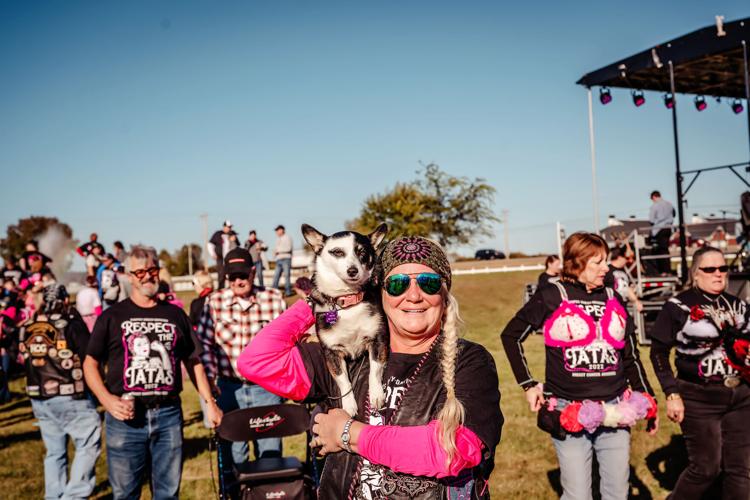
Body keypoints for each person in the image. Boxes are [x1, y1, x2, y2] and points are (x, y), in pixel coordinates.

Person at [238, 236, 503, 498]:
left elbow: (450, 452)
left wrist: (347, 433)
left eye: (429, 283)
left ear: (444, 295)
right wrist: (322, 299)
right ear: (381, 292)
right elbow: (256, 361)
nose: (413, 295)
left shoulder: (469, 361)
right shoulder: (346, 355)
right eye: (398, 284)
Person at [502, 232, 657, 500]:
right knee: (578, 495)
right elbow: (511, 335)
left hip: (615, 409)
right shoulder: (552, 295)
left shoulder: (613, 296)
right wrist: (528, 384)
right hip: (568, 411)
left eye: (606, 261)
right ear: (577, 263)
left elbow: (631, 354)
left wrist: (647, 396)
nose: (606, 268)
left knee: (618, 493)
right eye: (597, 262)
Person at [83, 245, 222, 500]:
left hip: (168, 414)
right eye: (140, 272)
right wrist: (106, 400)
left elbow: (194, 361)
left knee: (168, 493)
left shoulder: (175, 314)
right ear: (128, 275)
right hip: (125, 418)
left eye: (153, 270)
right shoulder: (112, 316)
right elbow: (90, 363)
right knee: (126, 494)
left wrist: (210, 403)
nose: (148, 276)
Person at [649, 246, 750, 499]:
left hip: (741, 397)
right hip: (698, 397)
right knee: (706, 468)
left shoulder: (738, 304)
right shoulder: (678, 306)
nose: (718, 274)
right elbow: (658, 352)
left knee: (741, 469)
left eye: (723, 268)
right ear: (696, 273)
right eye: (710, 269)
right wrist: (671, 394)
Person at [195, 247, 287, 486]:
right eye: (232, 276)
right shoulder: (214, 302)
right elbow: (204, 345)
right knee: (234, 458)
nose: (238, 280)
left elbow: (289, 343)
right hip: (228, 389)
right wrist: (211, 384)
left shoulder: (273, 298)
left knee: (270, 456)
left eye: (242, 275)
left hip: (266, 389)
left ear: (253, 272)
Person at [20, 280, 101, 499]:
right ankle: (73, 495)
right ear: (65, 300)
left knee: (54, 451)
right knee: (88, 442)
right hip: (69, 395)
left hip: (38, 397)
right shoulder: (71, 323)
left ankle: (54, 495)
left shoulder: (27, 325)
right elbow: (90, 354)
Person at [604, 246, 643, 313]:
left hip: (622, 307)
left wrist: (636, 301)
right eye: (627, 258)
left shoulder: (624, 272)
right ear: (619, 257)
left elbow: (627, 289)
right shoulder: (607, 270)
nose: (630, 261)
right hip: (610, 308)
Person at [649, 191, 675, 275]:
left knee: (660, 250)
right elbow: (674, 214)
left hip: (659, 229)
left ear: (654, 197)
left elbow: (651, 220)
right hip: (668, 228)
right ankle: (668, 270)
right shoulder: (669, 204)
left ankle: (663, 271)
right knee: (665, 249)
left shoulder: (655, 206)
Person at [208, 220, 239, 289]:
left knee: (231, 274)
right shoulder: (218, 234)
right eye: (228, 227)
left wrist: (234, 240)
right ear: (224, 227)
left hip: (230, 258)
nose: (229, 228)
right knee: (221, 275)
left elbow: (238, 245)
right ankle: (221, 289)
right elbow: (210, 244)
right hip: (220, 258)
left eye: (230, 227)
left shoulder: (232, 234)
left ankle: (231, 288)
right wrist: (212, 253)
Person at [271, 225, 293, 297]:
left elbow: (289, 248)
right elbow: (275, 250)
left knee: (287, 276)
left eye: (277, 230)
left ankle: (288, 292)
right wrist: (274, 254)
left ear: (282, 230)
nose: (276, 232)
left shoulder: (288, 237)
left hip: (286, 259)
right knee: (276, 276)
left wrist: (278, 251)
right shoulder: (277, 239)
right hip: (278, 259)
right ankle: (273, 291)